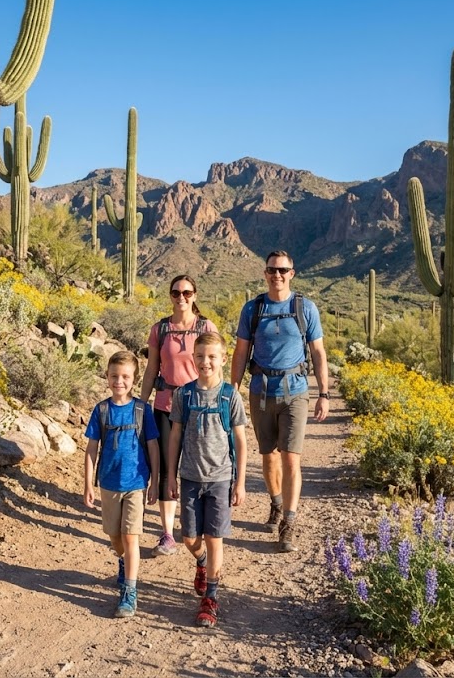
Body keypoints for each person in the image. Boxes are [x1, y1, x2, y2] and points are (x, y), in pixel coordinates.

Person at [229, 251, 329, 554]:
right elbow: (240, 352)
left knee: (290, 458)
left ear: (292, 273)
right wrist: (232, 390)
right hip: (261, 390)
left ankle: (288, 521)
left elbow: (318, 353)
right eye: (272, 270)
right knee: (269, 456)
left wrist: (323, 393)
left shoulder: (305, 308)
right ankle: (275, 503)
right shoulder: (253, 309)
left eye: (283, 270)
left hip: (295, 391)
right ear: (265, 273)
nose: (277, 275)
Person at [167, 332, 247, 628]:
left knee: (214, 539)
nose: (205, 362)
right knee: (190, 539)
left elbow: (240, 440)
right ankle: (201, 563)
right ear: (193, 358)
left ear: (223, 359)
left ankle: (210, 598)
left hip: (220, 478)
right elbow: (175, 435)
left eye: (212, 356)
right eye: (200, 356)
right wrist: (171, 476)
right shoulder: (184, 394)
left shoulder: (230, 396)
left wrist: (239, 483)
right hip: (189, 476)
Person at [139, 275, 218, 557]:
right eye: (176, 292)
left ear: (195, 295)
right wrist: (141, 402)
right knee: (164, 467)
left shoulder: (206, 327)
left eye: (186, 292)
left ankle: (196, 526)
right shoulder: (160, 329)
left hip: (197, 405)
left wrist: (220, 399)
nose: (181, 297)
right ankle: (168, 534)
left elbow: (215, 366)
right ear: (170, 295)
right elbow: (151, 369)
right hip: (164, 404)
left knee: (195, 465)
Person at [83, 351, 160, 618]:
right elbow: (92, 449)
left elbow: (153, 446)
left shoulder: (142, 410)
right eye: (114, 376)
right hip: (108, 483)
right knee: (114, 538)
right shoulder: (101, 410)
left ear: (135, 379)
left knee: (130, 537)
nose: (119, 381)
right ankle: (123, 562)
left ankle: (129, 591)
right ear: (107, 377)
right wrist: (88, 484)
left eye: (125, 376)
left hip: (136, 483)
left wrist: (155, 482)